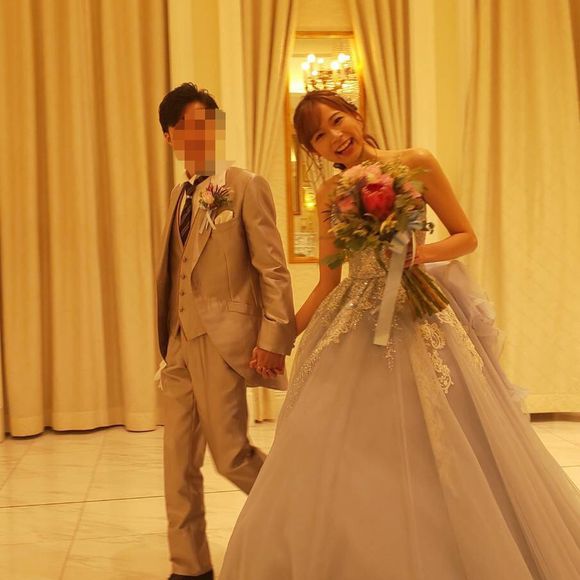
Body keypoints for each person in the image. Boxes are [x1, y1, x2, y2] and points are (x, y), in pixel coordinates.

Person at [219, 90, 580, 579]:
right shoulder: (328, 194)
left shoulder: (415, 162)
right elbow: (328, 281)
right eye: (319, 136)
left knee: (450, 437)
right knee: (339, 445)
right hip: (354, 320)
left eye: (337, 120)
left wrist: (419, 255)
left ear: (356, 115)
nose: (334, 136)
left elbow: (465, 236)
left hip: (421, 316)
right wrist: (279, 340)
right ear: (313, 151)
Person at [156, 83, 296, 580]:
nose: (198, 136)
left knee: (231, 456)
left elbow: (272, 269)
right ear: (170, 136)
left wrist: (273, 338)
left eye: (205, 125)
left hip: (222, 342)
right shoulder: (177, 194)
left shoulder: (245, 184)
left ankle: (304, 518)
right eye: (186, 128)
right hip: (178, 344)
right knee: (177, 462)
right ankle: (189, 568)